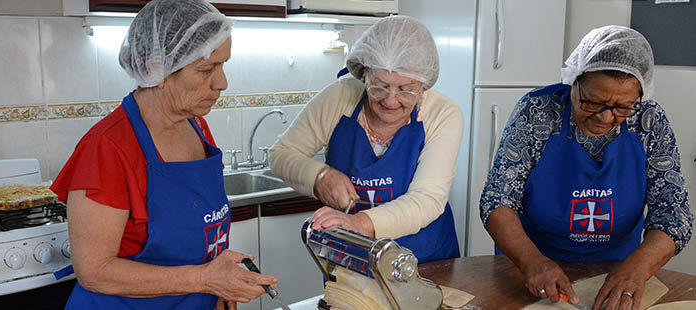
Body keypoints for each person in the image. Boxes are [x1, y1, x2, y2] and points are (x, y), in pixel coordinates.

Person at [50, 1, 277, 309]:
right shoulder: (106, 147)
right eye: (206, 69)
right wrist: (206, 279)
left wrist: (222, 283)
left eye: (223, 66)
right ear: (157, 69)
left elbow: (201, 232)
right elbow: (94, 271)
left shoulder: (197, 127)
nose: (222, 83)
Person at [480, 25, 693, 310]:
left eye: (623, 107)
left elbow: (673, 214)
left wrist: (637, 269)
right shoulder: (537, 112)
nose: (605, 117)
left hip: (618, 270)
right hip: (532, 269)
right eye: (593, 102)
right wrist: (532, 261)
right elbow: (497, 200)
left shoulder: (649, 122)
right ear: (573, 82)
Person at [269, 16, 463, 263]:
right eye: (379, 85)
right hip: (353, 262)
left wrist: (358, 223)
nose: (391, 100)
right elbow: (281, 154)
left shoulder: (442, 114)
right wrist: (319, 177)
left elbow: (427, 199)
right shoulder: (340, 97)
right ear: (364, 74)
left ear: (424, 82)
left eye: (406, 89)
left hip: (425, 261)